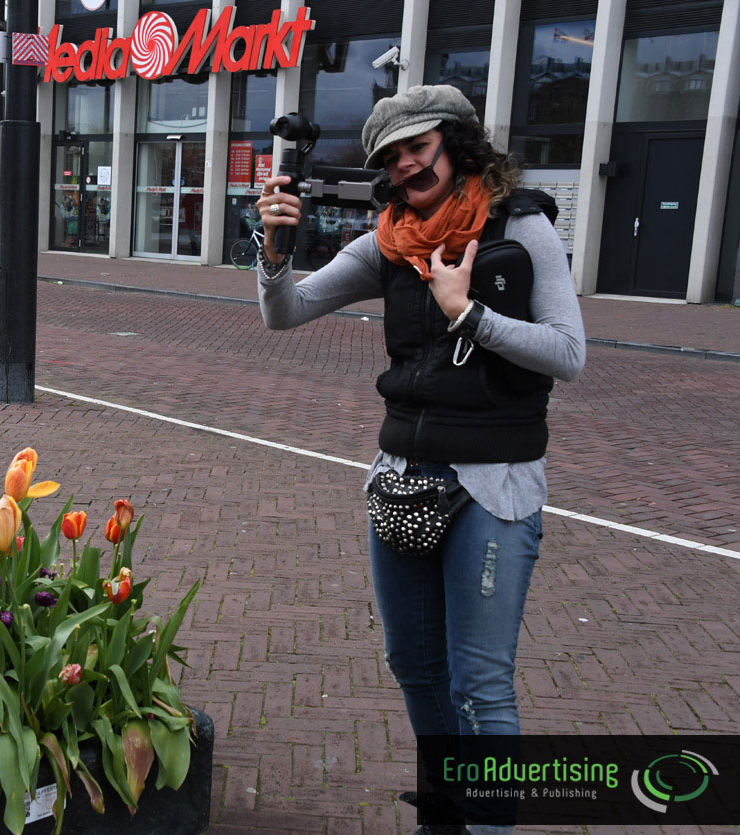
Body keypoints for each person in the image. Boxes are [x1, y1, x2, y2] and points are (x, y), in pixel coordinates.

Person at [255, 86, 585, 835]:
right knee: (414, 665)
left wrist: (469, 314)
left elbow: (568, 353)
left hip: (491, 486)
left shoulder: (520, 223)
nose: (405, 163)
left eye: (417, 144)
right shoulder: (389, 241)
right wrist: (272, 249)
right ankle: (444, 816)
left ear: (454, 142)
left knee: (480, 685)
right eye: (390, 156)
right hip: (402, 479)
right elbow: (285, 311)